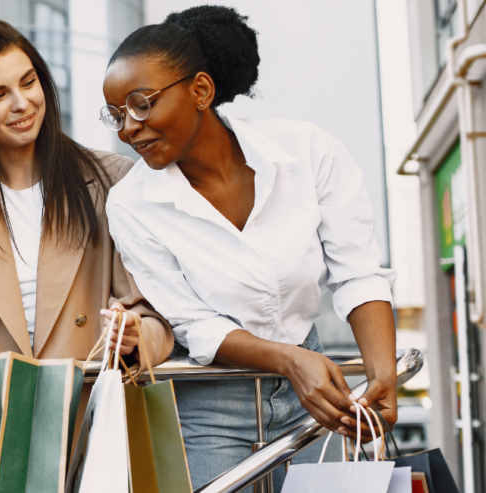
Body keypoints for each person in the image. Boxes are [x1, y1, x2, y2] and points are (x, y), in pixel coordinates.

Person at [102, 5, 397, 490]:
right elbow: (193, 323)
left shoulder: (307, 152)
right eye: (117, 115)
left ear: (200, 90)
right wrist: (288, 359)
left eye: (140, 103)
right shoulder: (132, 205)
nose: (128, 128)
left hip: (321, 389)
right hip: (209, 401)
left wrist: (381, 373)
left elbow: (358, 271)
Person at [0, 18, 174, 493]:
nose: (21, 103)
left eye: (28, 82)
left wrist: (136, 335)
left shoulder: (111, 180)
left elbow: (156, 312)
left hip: (90, 429)